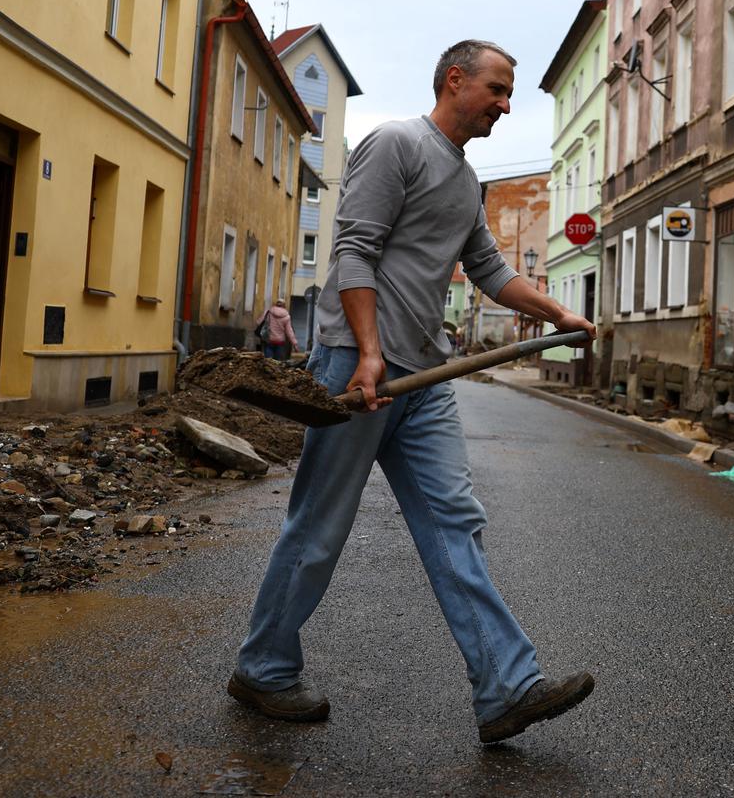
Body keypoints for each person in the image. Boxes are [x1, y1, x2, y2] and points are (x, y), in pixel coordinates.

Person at [228, 40, 599, 743]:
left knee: (455, 521)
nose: (505, 103)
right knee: (320, 526)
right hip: (356, 366)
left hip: (424, 378)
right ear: (454, 80)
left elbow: (488, 269)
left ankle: (505, 687)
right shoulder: (396, 144)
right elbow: (354, 250)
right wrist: (367, 352)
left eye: (508, 92)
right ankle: (264, 666)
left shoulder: (465, 179)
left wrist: (557, 313)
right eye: (496, 88)